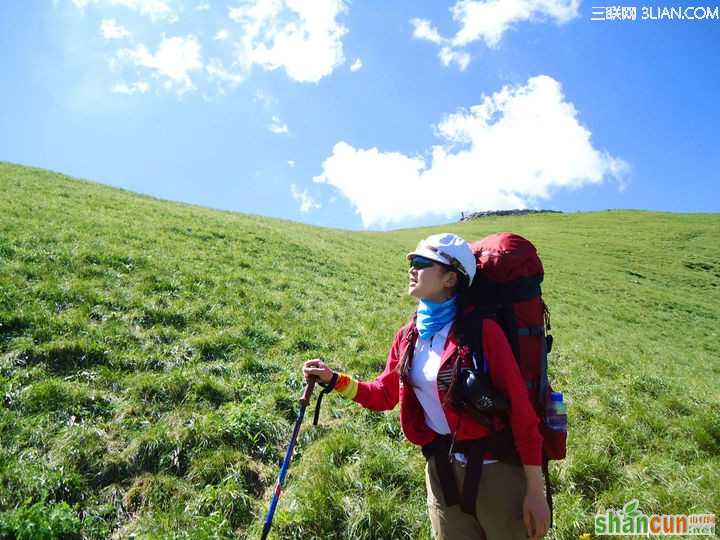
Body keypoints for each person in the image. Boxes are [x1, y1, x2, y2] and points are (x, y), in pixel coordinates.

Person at [303, 233, 550, 540]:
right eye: (411, 261)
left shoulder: (483, 332)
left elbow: (522, 413)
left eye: (421, 262)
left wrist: (535, 492)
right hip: (442, 474)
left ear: (450, 278)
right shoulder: (408, 336)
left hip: (497, 474)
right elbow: (383, 394)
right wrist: (334, 379)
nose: (412, 268)